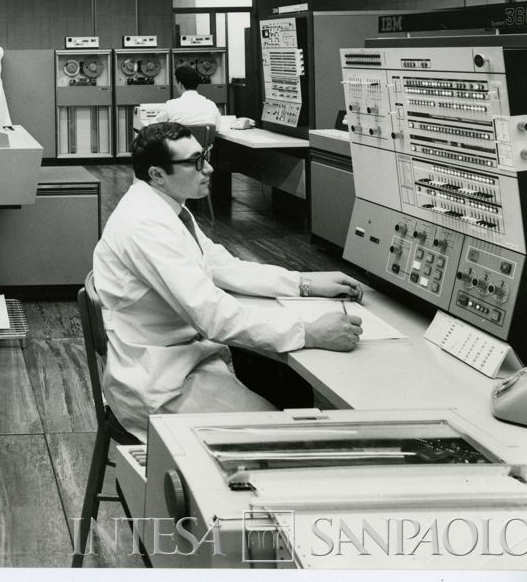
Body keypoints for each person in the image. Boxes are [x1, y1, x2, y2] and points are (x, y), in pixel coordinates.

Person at [92, 122, 364, 440]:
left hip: (183, 358)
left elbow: (223, 266)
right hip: (160, 383)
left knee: (292, 389)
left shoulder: (166, 206)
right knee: (288, 435)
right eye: (194, 162)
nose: (208, 168)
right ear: (157, 174)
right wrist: (309, 332)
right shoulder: (145, 224)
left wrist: (304, 283)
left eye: (205, 156)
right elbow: (212, 315)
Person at [159, 64, 221, 128]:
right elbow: (218, 128)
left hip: (180, 134)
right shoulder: (211, 105)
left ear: (180, 84)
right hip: (206, 134)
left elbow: (154, 125)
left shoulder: (170, 105)